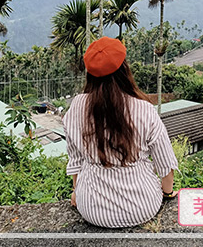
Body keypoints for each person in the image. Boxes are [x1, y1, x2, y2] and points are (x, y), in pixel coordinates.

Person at [63, 36, 179, 228]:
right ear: (124, 70)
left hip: (92, 209)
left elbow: (76, 160)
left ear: (90, 74)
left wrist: (76, 191)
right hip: (143, 206)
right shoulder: (144, 110)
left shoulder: (76, 107)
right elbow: (166, 166)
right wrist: (166, 193)